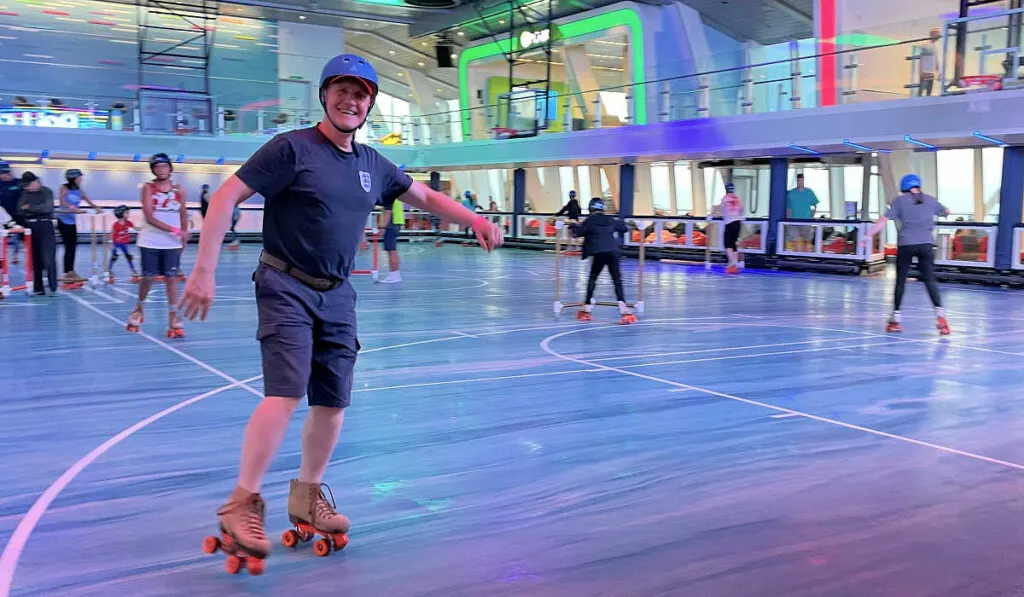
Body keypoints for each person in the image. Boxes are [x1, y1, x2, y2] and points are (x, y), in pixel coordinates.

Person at [177, 53, 504, 567]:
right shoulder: (291, 148)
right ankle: (242, 502)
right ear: (325, 96)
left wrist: (474, 219)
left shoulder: (373, 163)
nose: (350, 101)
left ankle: (308, 496)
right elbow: (225, 199)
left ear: (370, 104)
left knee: (332, 402)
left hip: (338, 292)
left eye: (361, 94)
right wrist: (203, 269)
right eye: (341, 91)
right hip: (284, 283)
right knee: (284, 396)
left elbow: (422, 195)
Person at [863, 173, 950, 335]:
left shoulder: (899, 201)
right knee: (930, 280)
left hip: (906, 244)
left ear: (904, 186)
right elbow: (946, 211)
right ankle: (941, 318)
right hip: (926, 244)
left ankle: (896, 319)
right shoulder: (930, 200)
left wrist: (868, 235)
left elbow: (882, 221)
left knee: (901, 280)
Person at [127, 153, 189, 337]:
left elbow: (183, 212)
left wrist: (183, 234)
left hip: (172, 243)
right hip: (150, 240)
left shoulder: (179, 190)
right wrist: (175, 230)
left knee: (171, 278)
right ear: (153, 170)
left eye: (164, 166)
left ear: (170, 168)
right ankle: (139, 307)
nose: (161, 170)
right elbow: (149, 216)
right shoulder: (148, 187)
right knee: (148, 277)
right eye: (157, 167)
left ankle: (173, 315)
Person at [568, 198, 634, 324]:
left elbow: (577, 233)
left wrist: (573, 224)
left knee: (593, 277)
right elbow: (624, 228)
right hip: (613, 251)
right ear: (602, 208)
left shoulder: (590, 220)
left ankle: (587, 307)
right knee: (617, 280)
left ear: (591, 208)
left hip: (599, 252)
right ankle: (623, 309)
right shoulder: (609, 219)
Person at [56, 168, 102, 284]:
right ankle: (66, 272)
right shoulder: (64, 187)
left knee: (73, 247)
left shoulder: (79, 191)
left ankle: (71, 271)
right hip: (63, 220)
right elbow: (62, 202)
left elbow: (89, 201)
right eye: (79, 178)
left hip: (72, 222)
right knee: (68, 246)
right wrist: (72, 208)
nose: (81, 180)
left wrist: (96, 207)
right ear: (73, 179)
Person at [16, 172, 58, 296]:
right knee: (35, 260)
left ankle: (53, 286)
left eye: (28, 185)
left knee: (48, 258)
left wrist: (29, 207)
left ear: (35, 182)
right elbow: (19, 209)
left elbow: (47, 208)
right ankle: (38, 288)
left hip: (45, 226)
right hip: (31, 227)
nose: (26, 188)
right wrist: (32, 208)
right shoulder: (24, 193)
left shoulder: (47, 192)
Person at [712, 182, 745, 274]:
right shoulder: (738, 198)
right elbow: (742, 209)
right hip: (738, 222)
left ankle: (733, 262)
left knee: (727, 244)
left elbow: (722, 211)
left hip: (729, 223)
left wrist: (711, 215)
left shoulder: (725, 198)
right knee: (734, 244)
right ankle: (732, 263)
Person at [786, 173, 819, 252]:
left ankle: (805, 256)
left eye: (801, 180)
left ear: (804, 181)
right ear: (797, 181)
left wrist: (811, 218)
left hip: (806, 221)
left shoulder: (809, 192)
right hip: (793, 222)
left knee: (807, 241)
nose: (800, 182)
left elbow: (814, 207)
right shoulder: (790, 193)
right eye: (799, 180)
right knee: (795, 241)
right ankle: (796, 257)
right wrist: (788, 221)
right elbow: (788, 209)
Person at [108, 205, 138, 282]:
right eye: (127, 213)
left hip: (124, 243)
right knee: (114, 257)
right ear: (121, 214)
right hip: (116, 242)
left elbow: (136, 228)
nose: (128, 214)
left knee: (128, 257)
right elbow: (112, 233)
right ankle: (109, 271)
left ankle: (133, 271)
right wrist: (110, 243)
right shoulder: (116, 225)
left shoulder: (128, 223)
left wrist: (144, 229)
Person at [0, 162, 21, 264]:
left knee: (17, 234)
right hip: (3, 216)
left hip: (17, 215)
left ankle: (15, 255)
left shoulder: (17, 183)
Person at [380, 197, 403, 283]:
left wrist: (383, 227)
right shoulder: (395, 196)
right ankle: (394, 274)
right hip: (396, 223)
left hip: (390, 225)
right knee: (393, 250)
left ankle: (394, 275)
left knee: (391, 251)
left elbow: (388, 212)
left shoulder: (389, 197)